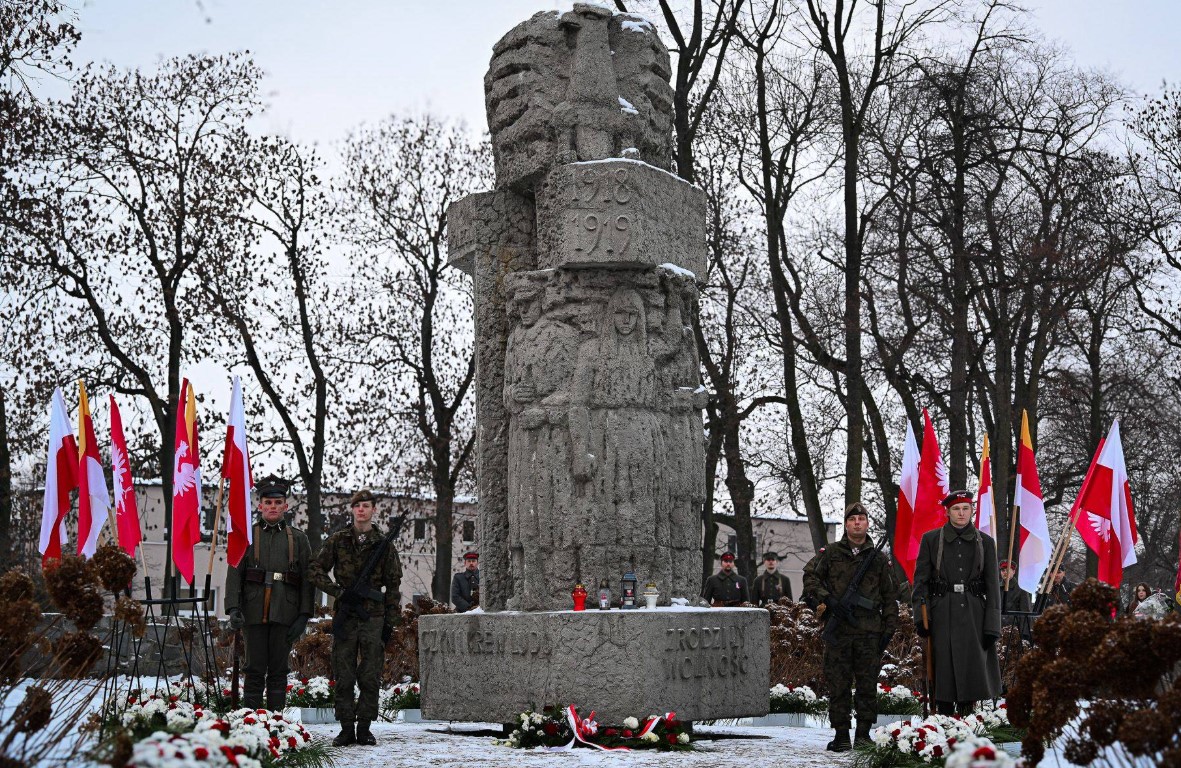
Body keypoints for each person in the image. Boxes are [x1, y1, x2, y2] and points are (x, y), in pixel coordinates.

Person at [309, 490, 403, 747]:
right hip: (346, 615)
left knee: (370, 674)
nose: (361, 510)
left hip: (373, 616)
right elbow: (315, 569)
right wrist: (338, 592)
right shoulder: (338, 541)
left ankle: (365, 728)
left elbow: (394, 584)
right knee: (344, 672)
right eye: (357, 506)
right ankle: (346, 728)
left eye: (366, 506)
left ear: (373, 510)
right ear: (352, 510)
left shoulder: (383, 544)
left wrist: (391, 622)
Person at [802, 502, 899, 752]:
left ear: (867, 524)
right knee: (839, 685)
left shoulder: (877, 558)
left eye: (862, 519)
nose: (857, 523)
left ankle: (864, 734)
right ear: (846, 524)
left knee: (867, 686)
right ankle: (842, 735)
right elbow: (810, 576)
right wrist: (829, 600)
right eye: (852, 519)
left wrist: (888, 630)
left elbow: (890, 596)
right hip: (839, 632)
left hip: (869, 633)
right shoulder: (831, 553)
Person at [224, 475, 314, 711]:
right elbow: (235, 572)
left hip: (286, 611)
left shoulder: (299, 539)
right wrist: (233, 607)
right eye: (268, 502)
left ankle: (276, 723)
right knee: (253, 669)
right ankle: (251, 722)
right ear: (260, 505)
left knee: (278, 670)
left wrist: (304, 614)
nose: (273, 507)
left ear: (286, 506)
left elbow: (307, 579)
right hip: (252, 612)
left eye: (278, 503)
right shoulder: (246, 536)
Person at [912, 490, 1002, 716]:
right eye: (956, 509)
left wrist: (992, 625)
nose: (961, 513)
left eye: (965, 508)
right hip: (942, 612)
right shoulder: (931, 539)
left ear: (972, 510)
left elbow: (993, 587)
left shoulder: (986, 543)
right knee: (943, 671)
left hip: (975, 615)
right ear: (947, 512)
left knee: (972, 672)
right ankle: (942, 722)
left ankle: (968, 723)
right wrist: (920, 618)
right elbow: (920, 582)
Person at [999, 560, 1032, 642]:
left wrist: (1025, 635)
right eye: (1003, 570)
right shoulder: (996, 588)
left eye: (1008, 570)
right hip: (998, 630)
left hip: (1014, 631)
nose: (1005, 572)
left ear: (1013, 571)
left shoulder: (1021, 589)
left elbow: (1025, 612)